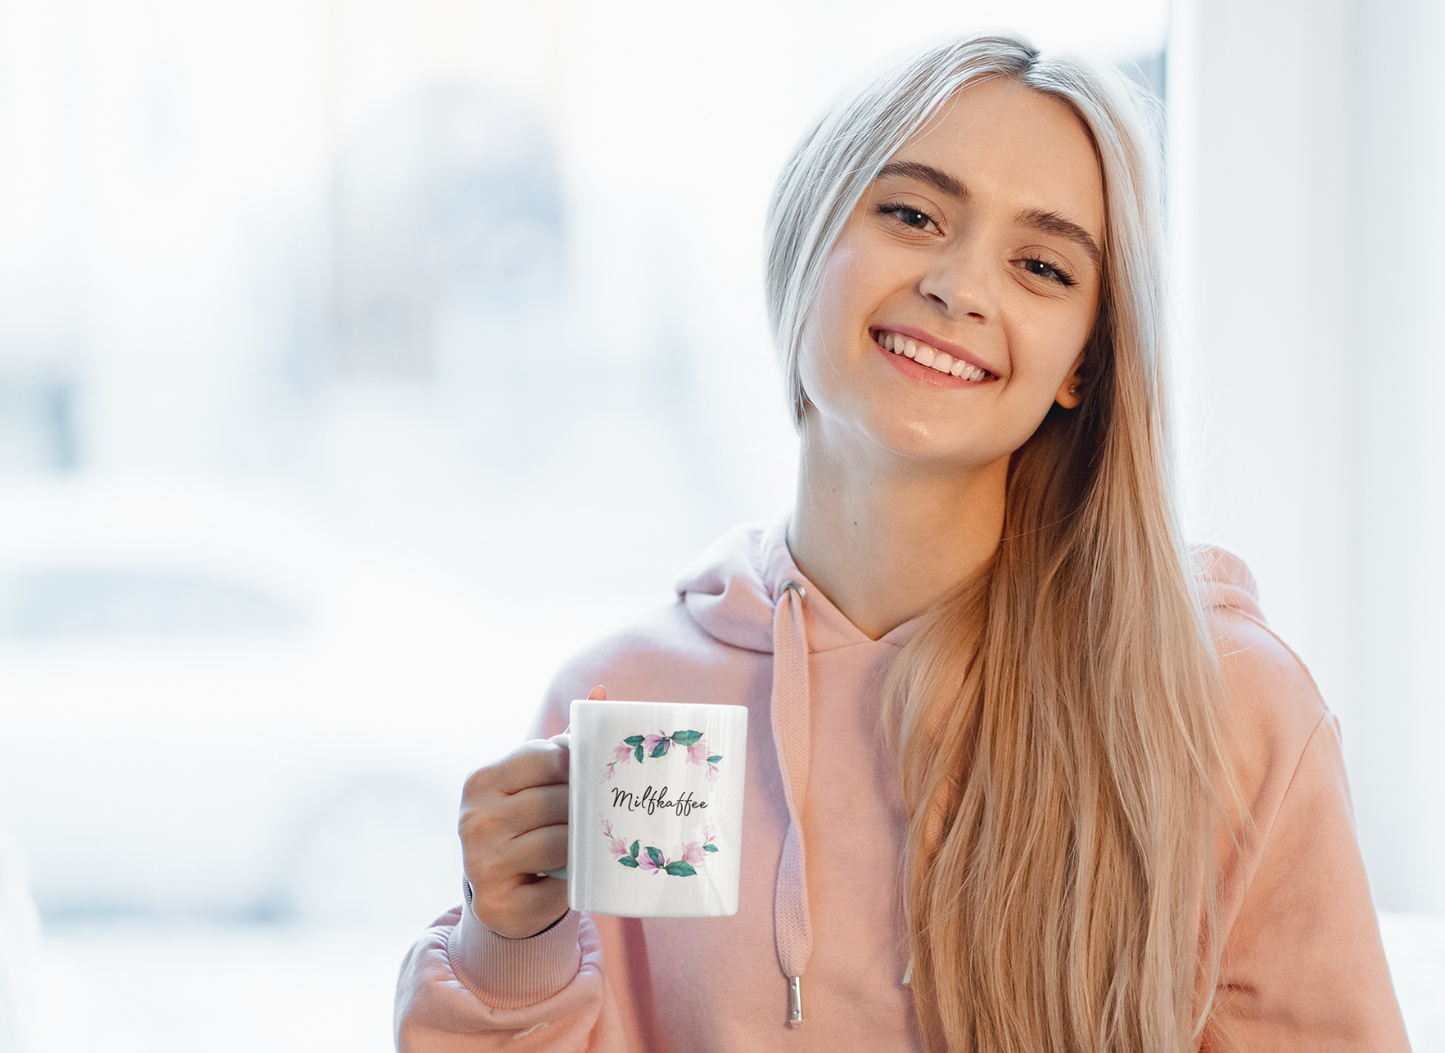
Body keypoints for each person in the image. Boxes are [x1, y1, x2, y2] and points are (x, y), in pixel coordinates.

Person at [395, 33, 1409, 1052]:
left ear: (1081, 367)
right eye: (912, 214)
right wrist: (512, 947)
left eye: (1040, 265)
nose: (961, 287)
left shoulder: (1221, 705)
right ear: (806, 239)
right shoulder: (629, 702)